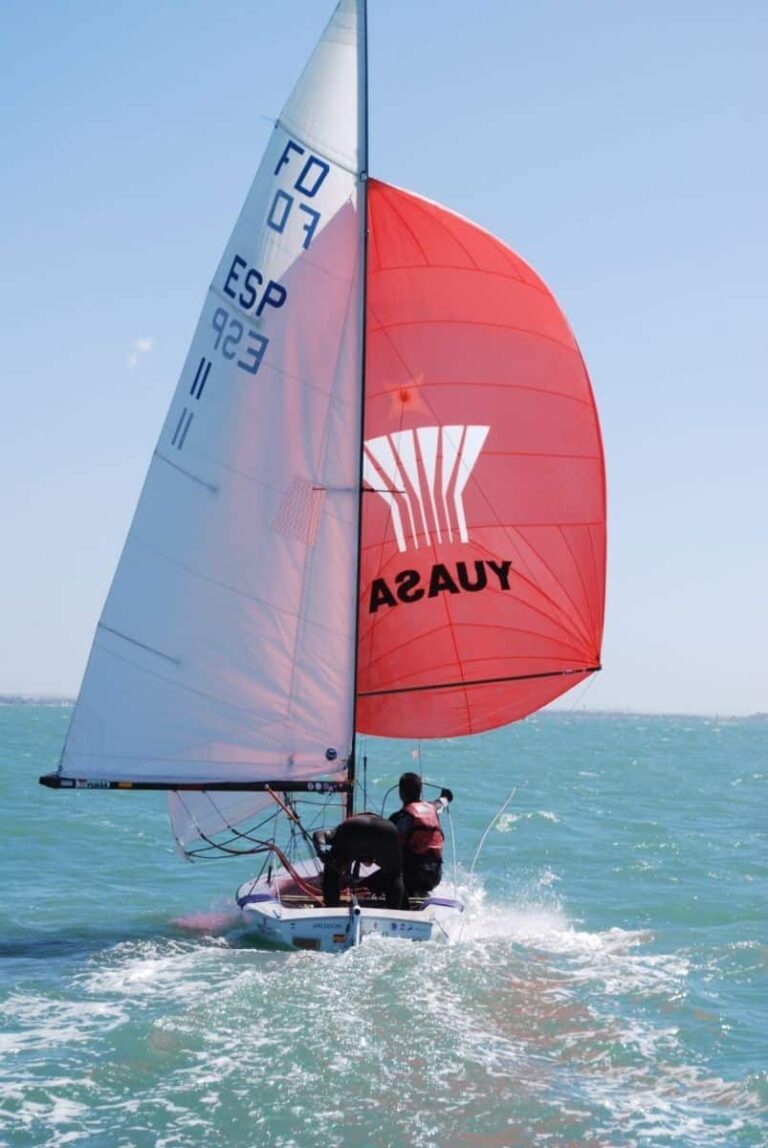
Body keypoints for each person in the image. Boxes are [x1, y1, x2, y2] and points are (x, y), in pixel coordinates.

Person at [313, 812, 404, 910]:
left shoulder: (343, 828)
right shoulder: (383, 826)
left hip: (353, 830)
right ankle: (394, 911)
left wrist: (321, 852)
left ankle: (332, 910)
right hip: (386, 829)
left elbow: (319, 834)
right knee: (395, 876)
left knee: (331, 873)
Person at [389, 772, 454, 900]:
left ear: (401, 793)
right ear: (420, 791)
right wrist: (446, 797)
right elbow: (441, 802)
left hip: (411, 875)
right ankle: (419, 895)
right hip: (435, 876)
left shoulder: (399, 818)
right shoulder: (432, 809)